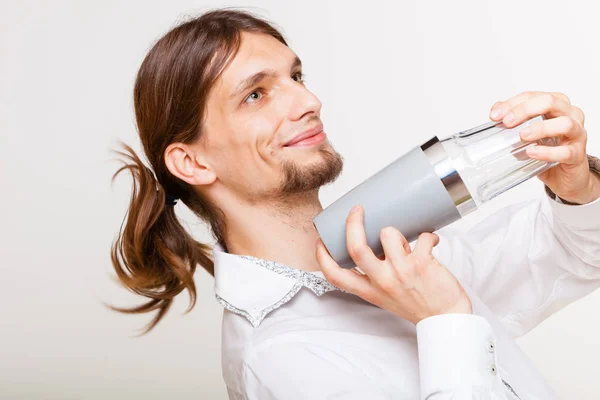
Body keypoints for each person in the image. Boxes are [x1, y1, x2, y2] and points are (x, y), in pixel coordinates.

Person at [109, 8, 600, 400]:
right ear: (192, 163)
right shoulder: (279, 360)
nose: (308, 101)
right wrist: (445, 320)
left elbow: (574, 255)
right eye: (256, 95)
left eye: (296, 76)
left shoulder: (396, 260)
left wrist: (578, 188)